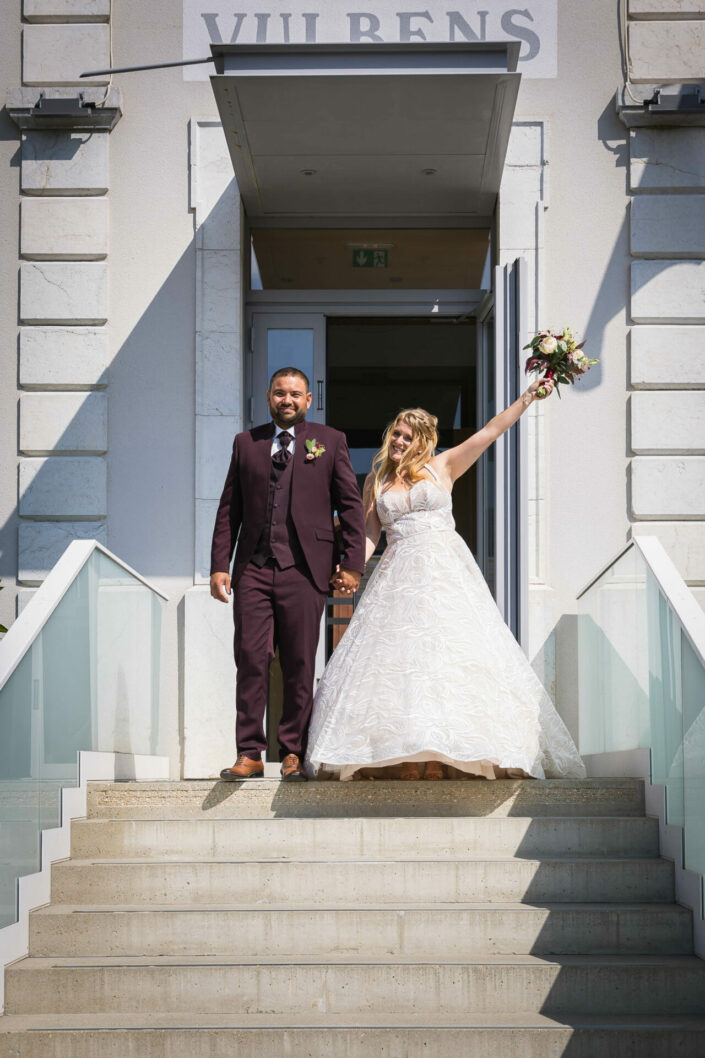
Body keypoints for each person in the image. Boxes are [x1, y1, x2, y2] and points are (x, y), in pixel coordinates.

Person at [308, 378, 586, 781]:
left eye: (408, 436)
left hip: (445, 572)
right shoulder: (377, 481)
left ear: (424, 442)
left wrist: (528, 397)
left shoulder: (444, 466)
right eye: (396, 434)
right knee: (400, 663)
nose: (399, 441)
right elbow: (370, 535)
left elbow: (491, 431)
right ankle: (403, 755)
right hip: (398, 574)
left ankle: (444, 755)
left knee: (447, 656)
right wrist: (350, 570)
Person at [210, 367, 366, 781]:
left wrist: (352, 563)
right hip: (254, 570)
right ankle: (250, 752)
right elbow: (230, 510)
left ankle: (294, 750)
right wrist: (219, 566)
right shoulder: (246, 444)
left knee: (299, 661)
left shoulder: (330, 442)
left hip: (305, 569)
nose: (287, 400)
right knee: (250, 658)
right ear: (268, 397)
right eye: (280, 393)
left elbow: (350, 506)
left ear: (308, 400)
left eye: (295, 394)